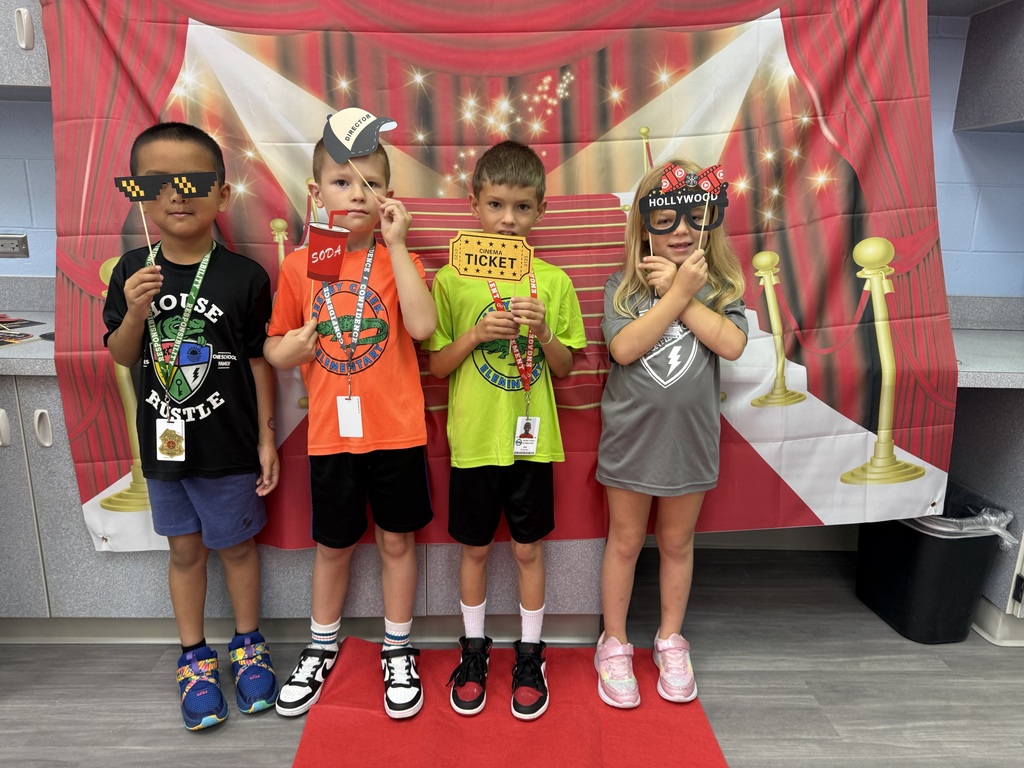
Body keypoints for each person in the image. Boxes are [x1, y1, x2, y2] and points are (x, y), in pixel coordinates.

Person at [103, 122, 280, 730]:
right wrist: (134, 309)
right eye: (158, 183)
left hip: (228, 447)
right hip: (165, 449)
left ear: (222, 195)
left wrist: (264, 439)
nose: (177, 195)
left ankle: (249, 645)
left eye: (193, 181)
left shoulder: (245, 277)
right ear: (140, 195)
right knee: (184, 551)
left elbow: (260, 365)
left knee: (236, 547)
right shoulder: (131, 270)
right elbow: (124, 356)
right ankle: (193, 657)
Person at [265, 137, 436, 720]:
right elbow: (273, 345)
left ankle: (397, 645)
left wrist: (397, 243)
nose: (357, 193)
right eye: (342, 181)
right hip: (332, 435)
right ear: (316, 193)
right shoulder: (304, 263)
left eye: (370, 182)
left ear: (389, 195)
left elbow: (420, 327)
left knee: (396, 540)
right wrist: (289, 350)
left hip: (397, 432)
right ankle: (320, 645)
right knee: (332, 544)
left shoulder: (400, 260)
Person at [426, 140, 586, 720]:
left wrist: (542, 334)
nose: (508, 219)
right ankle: (473, 648)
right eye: (496, 204)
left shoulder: (553, 280)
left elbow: (568, 368)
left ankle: (530, 650)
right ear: (474, 204)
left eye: (521, 207)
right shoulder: (450, 281)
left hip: (532, 438)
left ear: (540, 210)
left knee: (526, 547)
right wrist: (474, 334)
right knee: (472, 547)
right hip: (472, 440)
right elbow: (436, 366)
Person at [594, 159, 748, 708]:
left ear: (710, 220)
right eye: (665, 217)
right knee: (627, 541)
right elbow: (625, 349)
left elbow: (730, 345)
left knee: (678, 544)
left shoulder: (724, 287)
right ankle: (613, 643)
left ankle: (669, 640)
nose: (680, 229)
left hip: (690, 448)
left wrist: (690, 292)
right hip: (630, 445)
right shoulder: (622, 287)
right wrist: (674, 296)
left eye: (692, 216)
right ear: (644, 224)